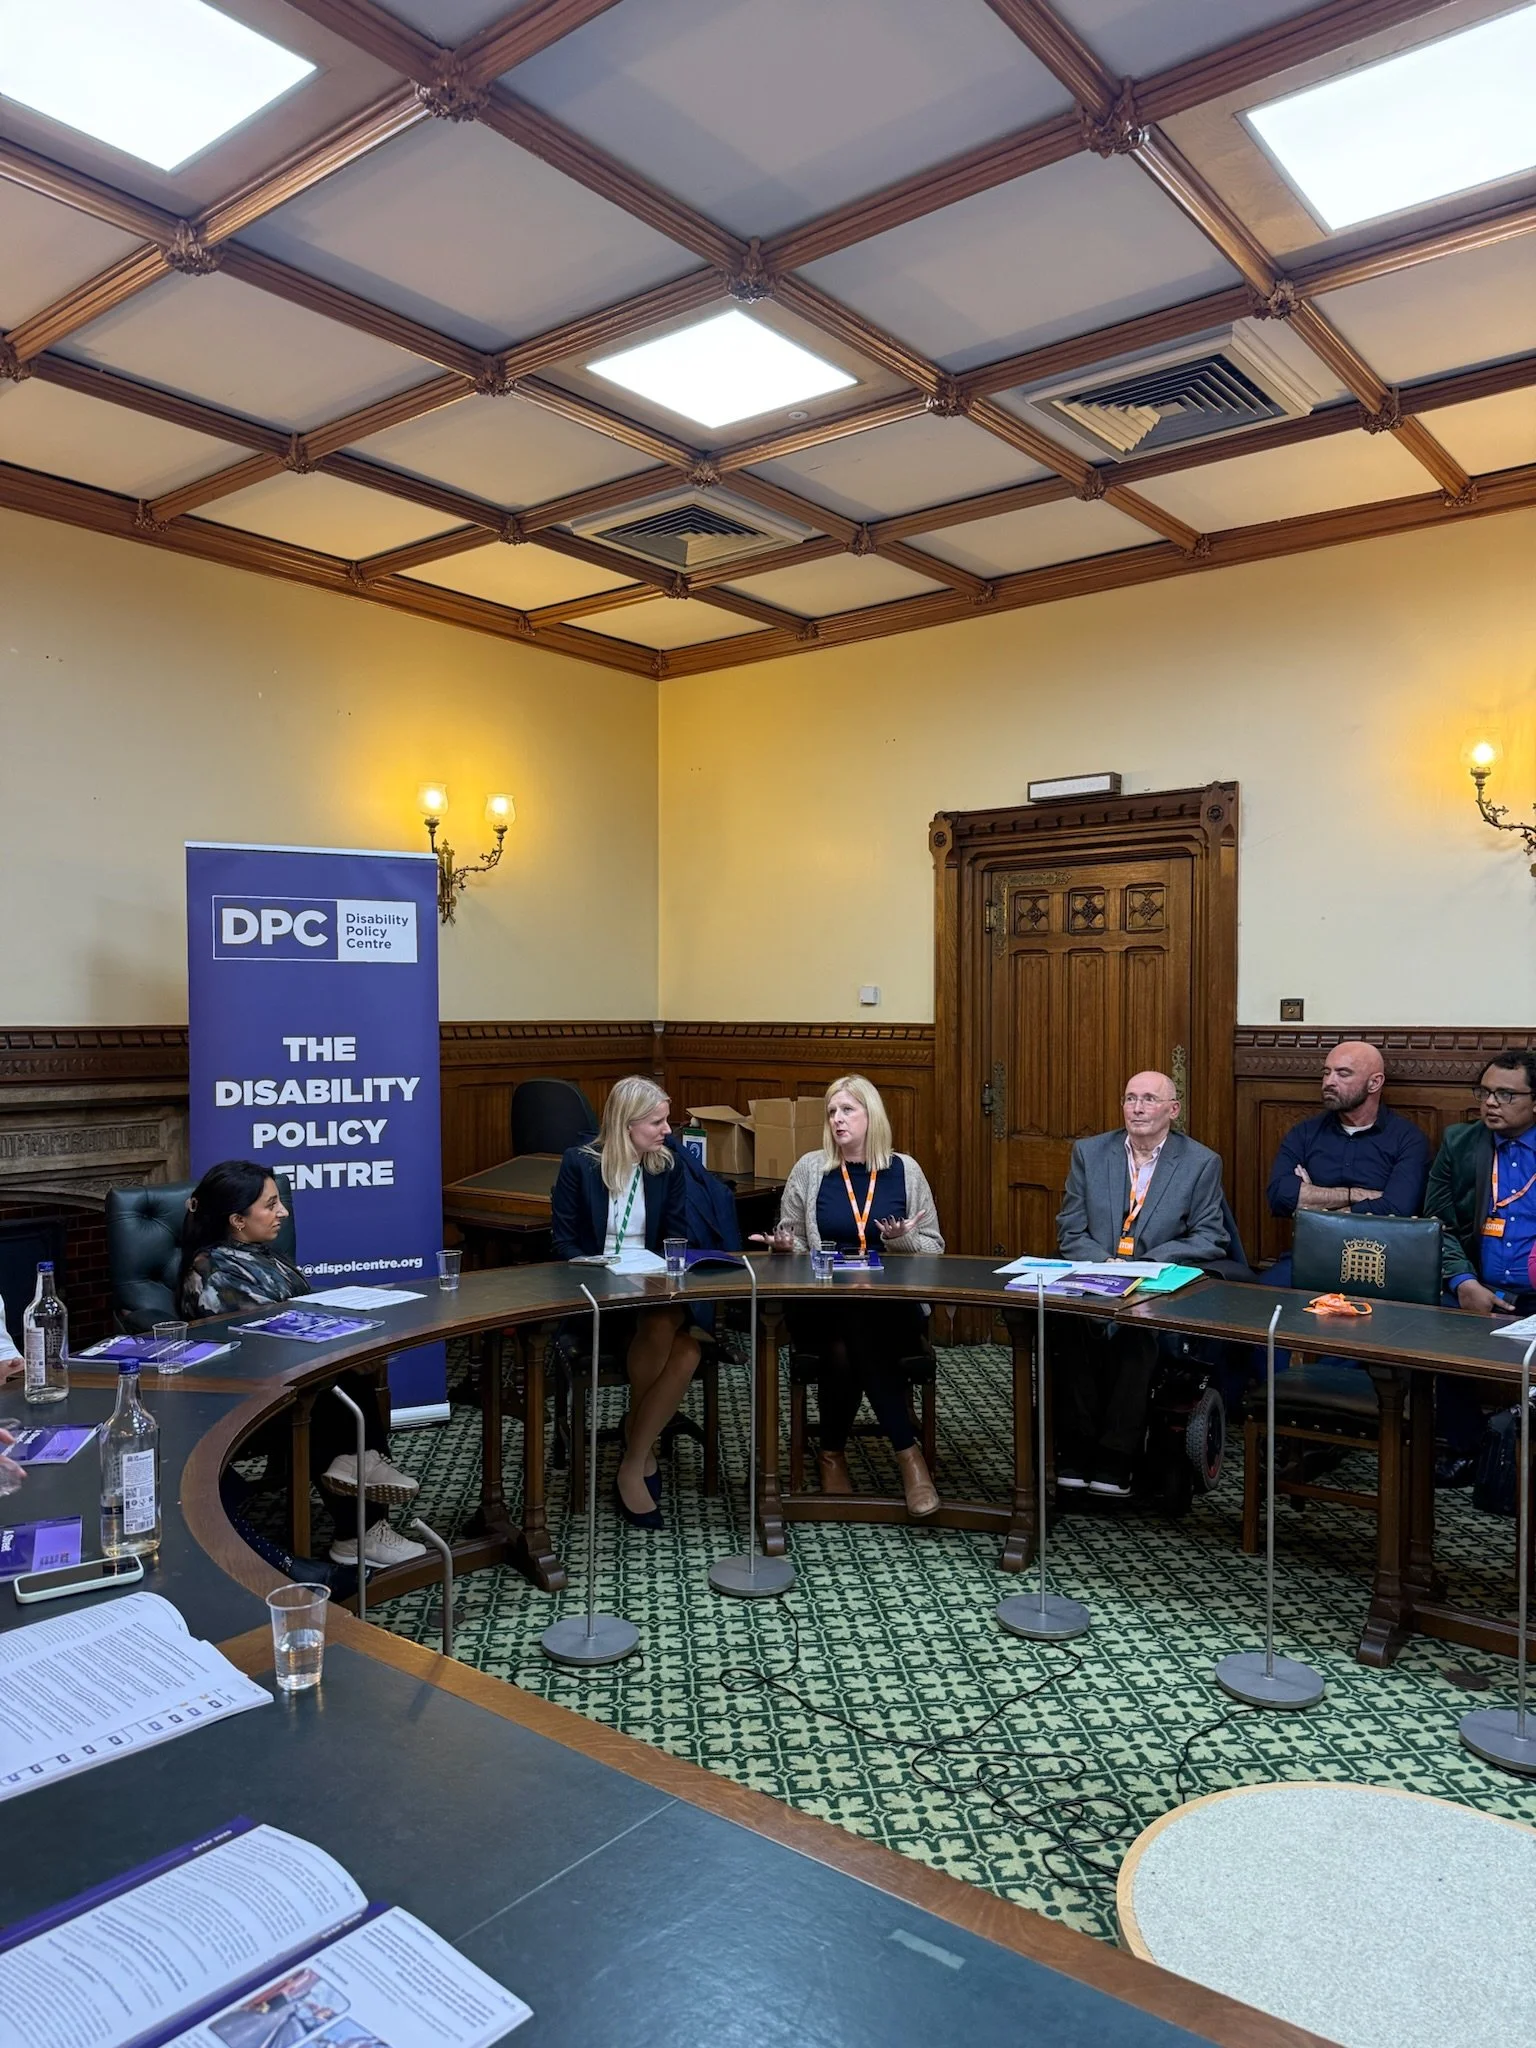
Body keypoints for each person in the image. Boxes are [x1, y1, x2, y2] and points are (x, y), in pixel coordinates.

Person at [179, 1160, 424, 1569]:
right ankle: (358, 1532)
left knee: (351, 1375)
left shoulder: (261, 1255)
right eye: (271, 1205)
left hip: (298, 1375)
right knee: (331, 1395)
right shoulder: (213, 1271)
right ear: (237, 1219)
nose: (284, 1213)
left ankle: (363, 1480)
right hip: (248, 1394)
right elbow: (259, 1341)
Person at [759, 1075, 944, 1518]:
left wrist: (900, 1241)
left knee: (852, 1338)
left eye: (848, 1111)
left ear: (871, 1116)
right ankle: (908, 1454)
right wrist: (786, 1247)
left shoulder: (905, 1169)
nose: (838, 1120)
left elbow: (935, 1247)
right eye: (832, 1112)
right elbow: (795, 1239)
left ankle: (832, 1452)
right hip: (823, 1304)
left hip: (891, 1307)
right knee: (850, 1320)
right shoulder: (810, 1168)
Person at [1053, 1070, 1230, 1497]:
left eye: (1149, 1099)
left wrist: (1147, 1264)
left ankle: (1116, 1458)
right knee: (1068, 1326)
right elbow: (1070, 1230)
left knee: (1136, 1334)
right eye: (1131, 1098)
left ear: (1173, 1109)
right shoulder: (1090, 1153)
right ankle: (1075, 1452)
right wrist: (1107, 1263)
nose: (1137, 1107)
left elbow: (1211, 1236)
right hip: (1096, 1277)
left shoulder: (1200, 1162)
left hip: (1155, 1282)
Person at [550, 1076, 697, 1530]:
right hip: (598, 1296)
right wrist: (603, 1267)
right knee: (681, 1343)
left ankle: (633, 1455)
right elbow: (564, 1243)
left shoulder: (665, 1166)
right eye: (656, 1122)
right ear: (625, 1124)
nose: (666, 1130)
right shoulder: (579, 1165)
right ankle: (641, 1442)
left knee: (678, 1333)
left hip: (652, 1289)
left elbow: (676, 1235)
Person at [1424, 1050, 1536, 1477]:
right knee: (1440, 1325)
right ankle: (1466, 1449)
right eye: (1485, 1091)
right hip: (1479, 1289)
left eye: (1506, 1094)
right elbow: (1438, 1224)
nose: (1491, 1102)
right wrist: (1463, 1280)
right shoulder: (1459, 1142)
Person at [1265, 1042, 1430, 1281]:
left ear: (1374, 1083)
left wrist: (1313, 1206)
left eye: (1343, 1073)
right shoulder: (1305, 1134)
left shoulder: (1408, 1139)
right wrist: (1355, 1195)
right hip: (1314, 1253)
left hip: (1383, 1260)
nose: (1329, 1082)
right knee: (1264, 1294)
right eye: (1326, 1072)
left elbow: (1397, 1209)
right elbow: (1280, 1196)